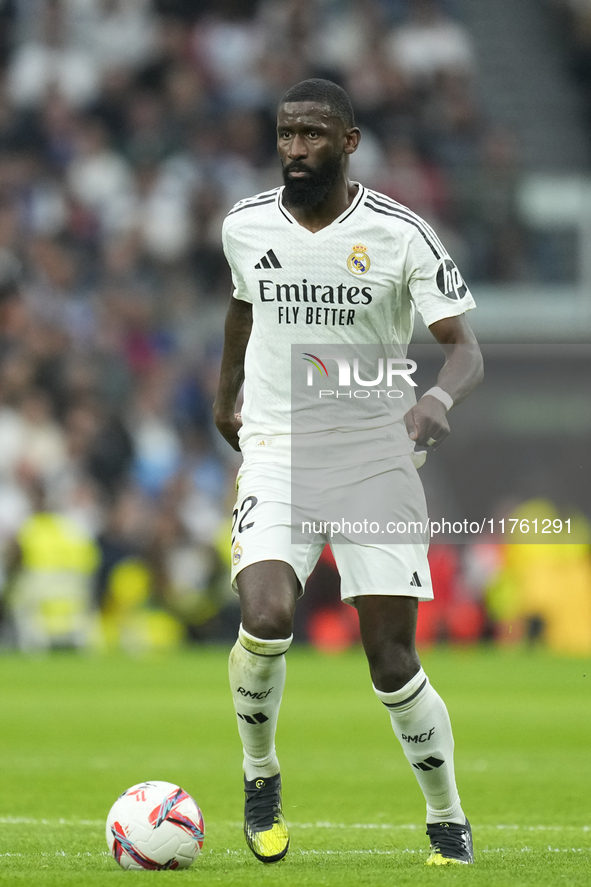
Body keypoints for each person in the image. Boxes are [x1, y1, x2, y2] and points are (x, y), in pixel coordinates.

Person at [213, 78, 483, 867]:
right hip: (278, 446)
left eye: (312, 134)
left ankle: (445, 815)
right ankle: (259, 776)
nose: (296, 148)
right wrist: (225, 396)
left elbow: (463, 346)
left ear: (349, 142)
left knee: (391, 660)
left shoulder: (400, 234)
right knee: (265, 615)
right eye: (286, 134)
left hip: (372, 455)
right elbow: (242, 304)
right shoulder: (244, 223)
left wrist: (436, 396)